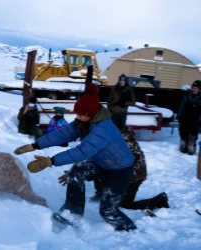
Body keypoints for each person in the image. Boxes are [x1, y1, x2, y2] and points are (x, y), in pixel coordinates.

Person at [14, 83, 137, 231]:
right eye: (77, 113)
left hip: (120, 170)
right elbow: (63, 134)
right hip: (100, 162)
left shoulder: (103, 129)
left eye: (80, 114)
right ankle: (72, 213)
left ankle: (129, 230)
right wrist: (36, 145)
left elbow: (82, 151)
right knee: (77, 171)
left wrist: (51, 161)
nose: (77, 116)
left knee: (107, 211)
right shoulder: (83, 121)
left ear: (90, 114)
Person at [59, 126, 169, 212]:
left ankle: (159, 201)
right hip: (116, 169)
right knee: (95, 168)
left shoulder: (121, 142)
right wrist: (74, 171)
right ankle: (100, 192)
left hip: (133, 176)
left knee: (124, 205)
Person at [177, 80, 201, 155]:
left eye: (196, 88)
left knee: (192, 136)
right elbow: (181, 107)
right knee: (183, 135)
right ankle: (183, 147)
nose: (194, 89)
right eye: (193, 88)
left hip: (195, 121)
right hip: (184, 119)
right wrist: (179, 116)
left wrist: (199, 120)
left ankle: (191, 148)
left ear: (199, 89)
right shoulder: (187, 96)